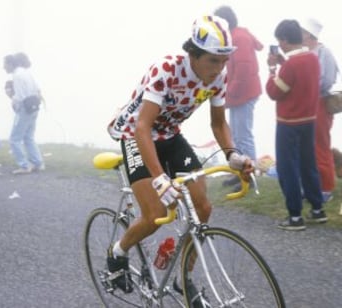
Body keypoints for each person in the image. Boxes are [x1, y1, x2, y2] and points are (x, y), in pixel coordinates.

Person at [106, 15, 253, 301]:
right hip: (136, 135)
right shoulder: (167, 70)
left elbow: (219, 124)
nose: (220, 68)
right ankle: (117, 252)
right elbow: (143, 127)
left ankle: (182, 280)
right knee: (157, 214)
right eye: (213, 60)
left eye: (225, 61)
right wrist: (160, 178)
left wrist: (233, 155)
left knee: (203, 207)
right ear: (194, 54)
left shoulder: (217, 79)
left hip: (170, 135)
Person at [266, 19, 327, 231]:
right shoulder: (312, 58)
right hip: (308, 121)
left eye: (279, 41)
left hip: (288, 123)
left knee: (287, 168)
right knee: (308, 165)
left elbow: (274, 92)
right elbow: (300, 80)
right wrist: (282, 65)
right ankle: (317, 209)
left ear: (284, 40)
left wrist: (272, 69)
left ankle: (294, 216)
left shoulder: (290, 65)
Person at [214, 5, 263, 190]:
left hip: (244, 93)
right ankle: (240, 172)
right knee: (236, 135)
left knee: (243, 135)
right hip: (240, 94)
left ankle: (249, 177)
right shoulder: (237, 35)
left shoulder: (239, 38)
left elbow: (243, 69)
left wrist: (230, 92)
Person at [300, 18, 339, 203]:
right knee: (308, 147)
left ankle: (326, 188)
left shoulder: (324, 53)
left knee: (321, 145)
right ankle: (312, 187)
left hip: (320, 103)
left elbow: (327, 79)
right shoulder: (308, 52)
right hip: (308, 103)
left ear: (308, 34)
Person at [3, 52, 45, 174]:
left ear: (11, 64)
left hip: (24, 109)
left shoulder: (17, 75)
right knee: (28, 137)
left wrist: (11, 97)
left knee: (14, 139)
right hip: (34, 107)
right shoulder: (26, 72)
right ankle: (38, 163)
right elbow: (37, 89)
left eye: (5, 64)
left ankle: (24, 166)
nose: (4, 67)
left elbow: (20, 96)